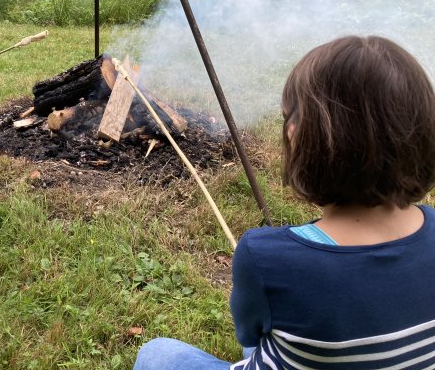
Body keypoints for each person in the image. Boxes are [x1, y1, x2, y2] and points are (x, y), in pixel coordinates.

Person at [133, 35, 435, 370]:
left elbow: (248, 334)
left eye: (289, 117)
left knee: (157, 354)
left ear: (300, 138)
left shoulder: (266, 257)